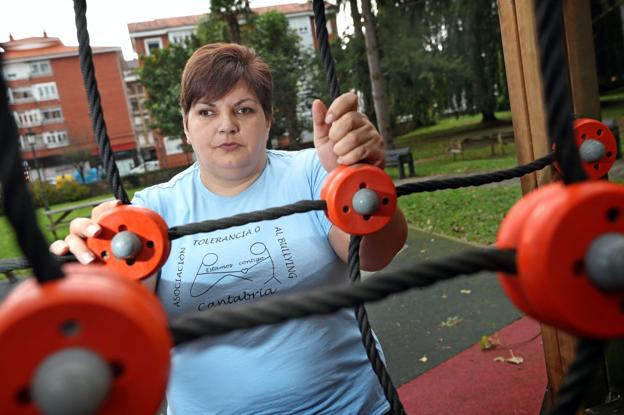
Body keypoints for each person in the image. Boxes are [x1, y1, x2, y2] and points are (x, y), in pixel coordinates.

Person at [50, 43, 408, 415]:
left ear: (267, 119)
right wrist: (90, 267)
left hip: (351, 406)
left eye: (244, 109)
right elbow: (118, 323)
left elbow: (376, 255)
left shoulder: (313, 169)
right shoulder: (150, 209)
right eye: (207, 111)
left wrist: (359, 178)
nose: (227, 125)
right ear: (186, 125)